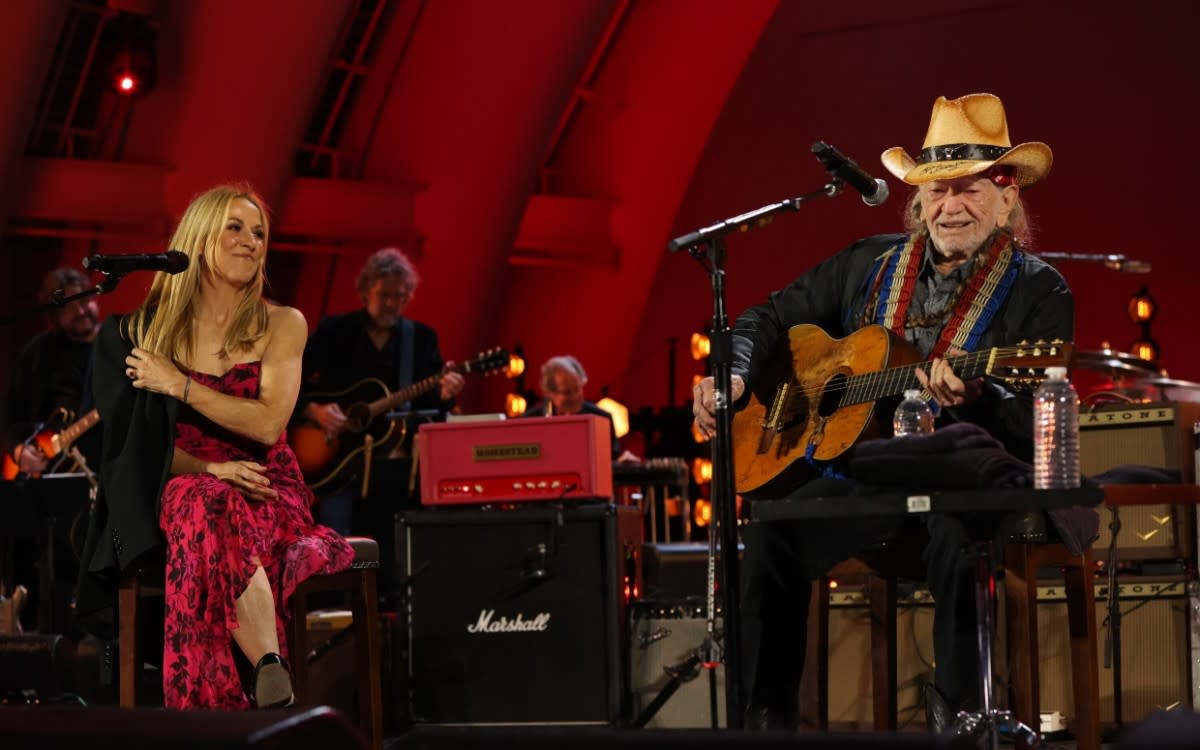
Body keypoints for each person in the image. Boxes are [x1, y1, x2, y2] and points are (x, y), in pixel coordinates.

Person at [691, 93, 1096, 730]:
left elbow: (1036, 427)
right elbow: (763, 317)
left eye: (967, 188)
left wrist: (981, 396)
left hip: (969, 487)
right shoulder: (865, 264)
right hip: (862, 483)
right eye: (936, 191)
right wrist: (733, 375)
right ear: (916, 199)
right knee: (773, 532)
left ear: (1007, 195)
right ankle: (763, 722)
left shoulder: (1040, 289)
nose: (950, 206)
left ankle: (963, 718)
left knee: (954, 533)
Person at [77, 184, 354, 710]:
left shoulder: (282, 323)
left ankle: (206, 712)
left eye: (258, 233)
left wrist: (179, 386)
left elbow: (269, 425)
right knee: (201, 498)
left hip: (266, 486)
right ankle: (267, 663)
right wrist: (210, 467)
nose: (250, 241)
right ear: (198, 236)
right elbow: (137, 450)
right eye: (235, 227)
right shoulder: (142, 334)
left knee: (204, 510)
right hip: (184, 480)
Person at [296, 247, 465, 535]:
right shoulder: (334, 331)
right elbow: (291, 380)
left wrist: (447, 394)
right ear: (364, 291)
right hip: (337, 461)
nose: (391, 304)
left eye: (399, 296)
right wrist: (315, 410)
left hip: (393, 467)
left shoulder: (422, 339)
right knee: (337, 545)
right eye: (383, 295)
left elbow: (432, 406)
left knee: (393, 547)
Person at [5, 267, 102, 476]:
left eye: (85, 300)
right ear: (54, 315)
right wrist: (18, 449)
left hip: (98, 466)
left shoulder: (115, 347)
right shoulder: (40, 351)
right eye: (70, 306)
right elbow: (9, 409)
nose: (81, 311)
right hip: (42, 471)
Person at [524, 355, 620, 459]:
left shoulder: (601, 419)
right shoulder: (530, 423)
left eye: (577, 389)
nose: (574, 397)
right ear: (549, 393)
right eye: (567, 392)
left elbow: (612, 460)